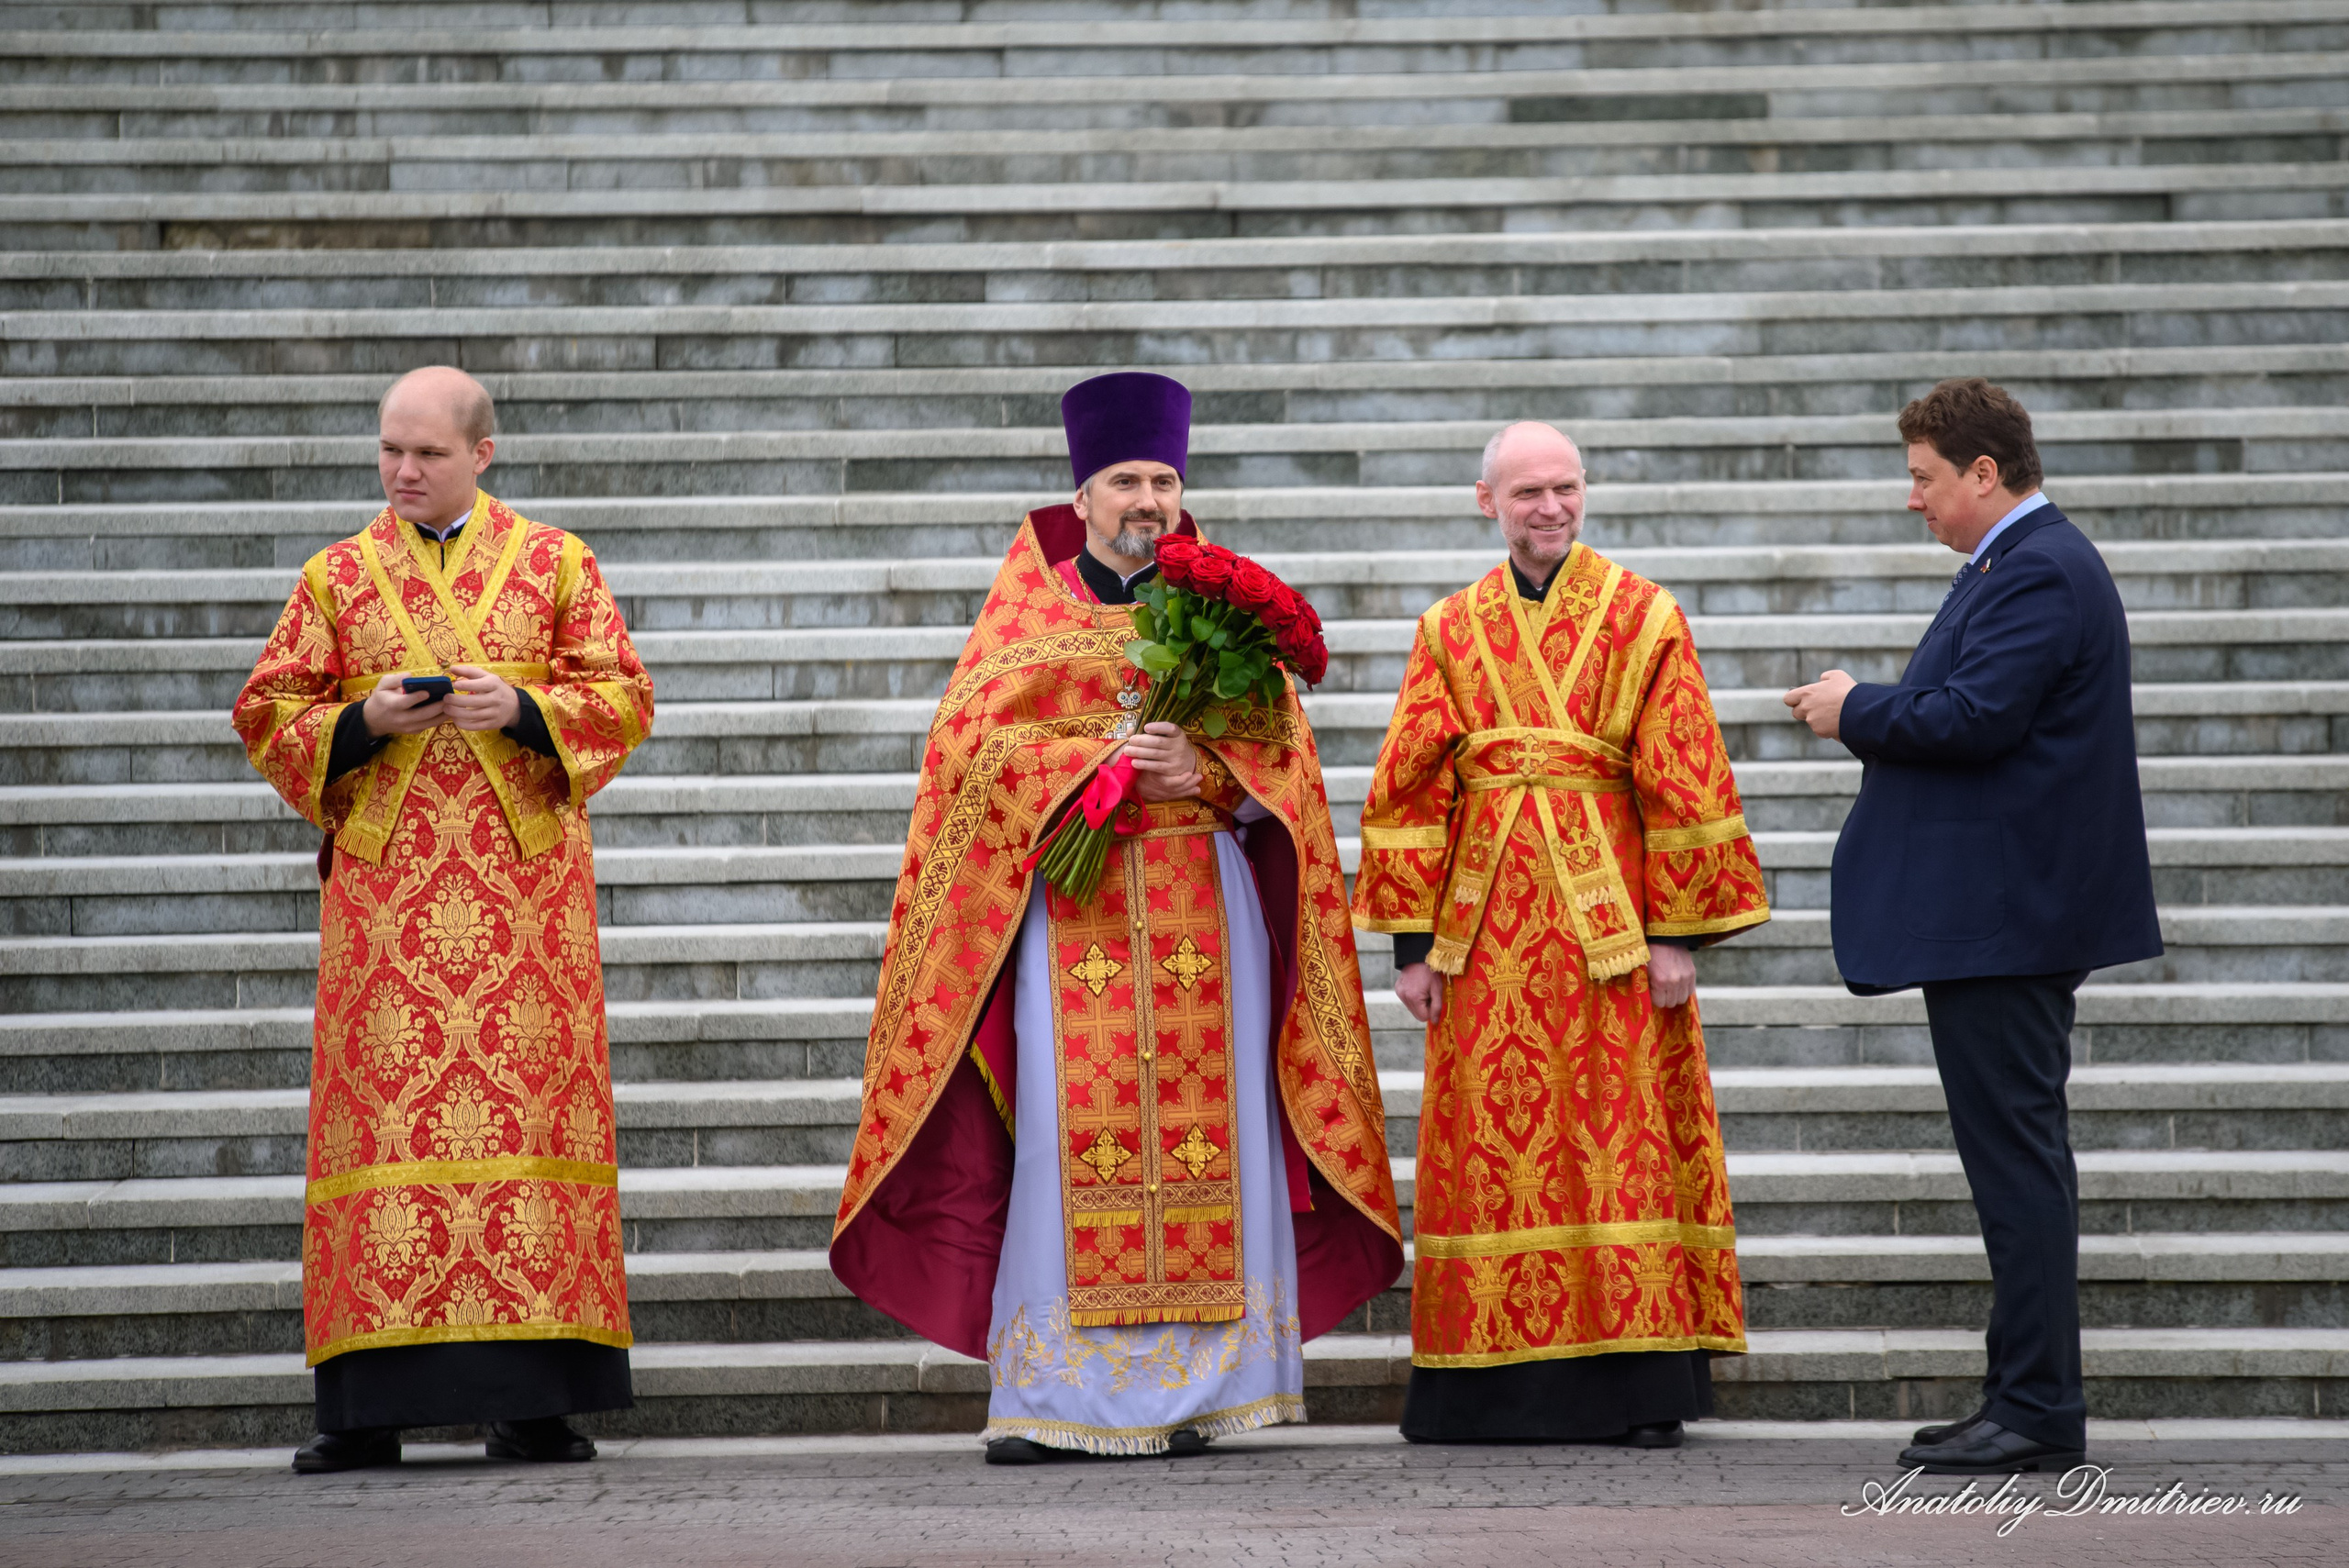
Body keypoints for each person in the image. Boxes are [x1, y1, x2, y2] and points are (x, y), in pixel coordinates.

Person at [830, 371, 1402, 1462]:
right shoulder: (1026, 616)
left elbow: (1287, 775)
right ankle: (1059, 1393)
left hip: (1207, 912)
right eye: (1126, 480)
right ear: (1082, 495)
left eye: (1164, 482)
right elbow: (966, 758)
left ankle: (1205, 1388)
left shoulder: (1225, 622)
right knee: (1063, 1141)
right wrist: (1088, 766)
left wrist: (1209, 771)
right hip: (1073, 913)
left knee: (1218, 1135)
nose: (1148, 499)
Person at [232, 366, 655, 1473]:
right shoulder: (335, 575)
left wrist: (525, 708)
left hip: (524, 907)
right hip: (387, 911)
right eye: (390, 450)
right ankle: (363, 1409)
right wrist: (359, 722)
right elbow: (267, 707)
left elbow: (625, 693)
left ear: (482, 454)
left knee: (529, 1125)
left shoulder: (558, 562)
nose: (403, 471)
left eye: (426, 453)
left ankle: (535, 1403)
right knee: (381, 1128)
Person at [1353, 421, 1765, 1447]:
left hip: (1610, 932)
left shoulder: (1643, 613)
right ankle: (1486, 1391)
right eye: (1529, 491)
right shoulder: (1449, 626)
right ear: (1486, 500)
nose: (1551, 507)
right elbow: (1410, 780)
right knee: (1492, 1151)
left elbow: (1684, 772)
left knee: (1619, 1141)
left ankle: (1637, 1384)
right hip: (1483, 933)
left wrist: (1675, 932)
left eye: (1566, 487)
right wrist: (1411, 946)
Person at [1787, 378, 2160, 1476]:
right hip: (2004, 918)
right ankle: (2020, 1394)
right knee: (2012, 1162)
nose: (1914, 498)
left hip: (2010, 923)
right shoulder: (2021, 560)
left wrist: (1852, 705)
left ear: (1983, 473)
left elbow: (1976, 716)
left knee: (2016, 1165)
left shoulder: (2038, 564)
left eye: (1924, 477)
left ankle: (2036, 1406)